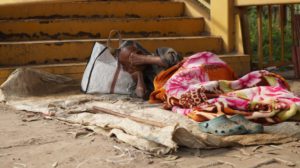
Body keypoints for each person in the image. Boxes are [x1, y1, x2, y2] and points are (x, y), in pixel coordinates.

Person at [114, 40, 183, 99]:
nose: (135, 61)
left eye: (136, 56)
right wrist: (139, 77)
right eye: (129, 63)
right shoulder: (140, 81)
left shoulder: (159, 52)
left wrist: (145, 59)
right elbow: (141, 94)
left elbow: (176, 60)